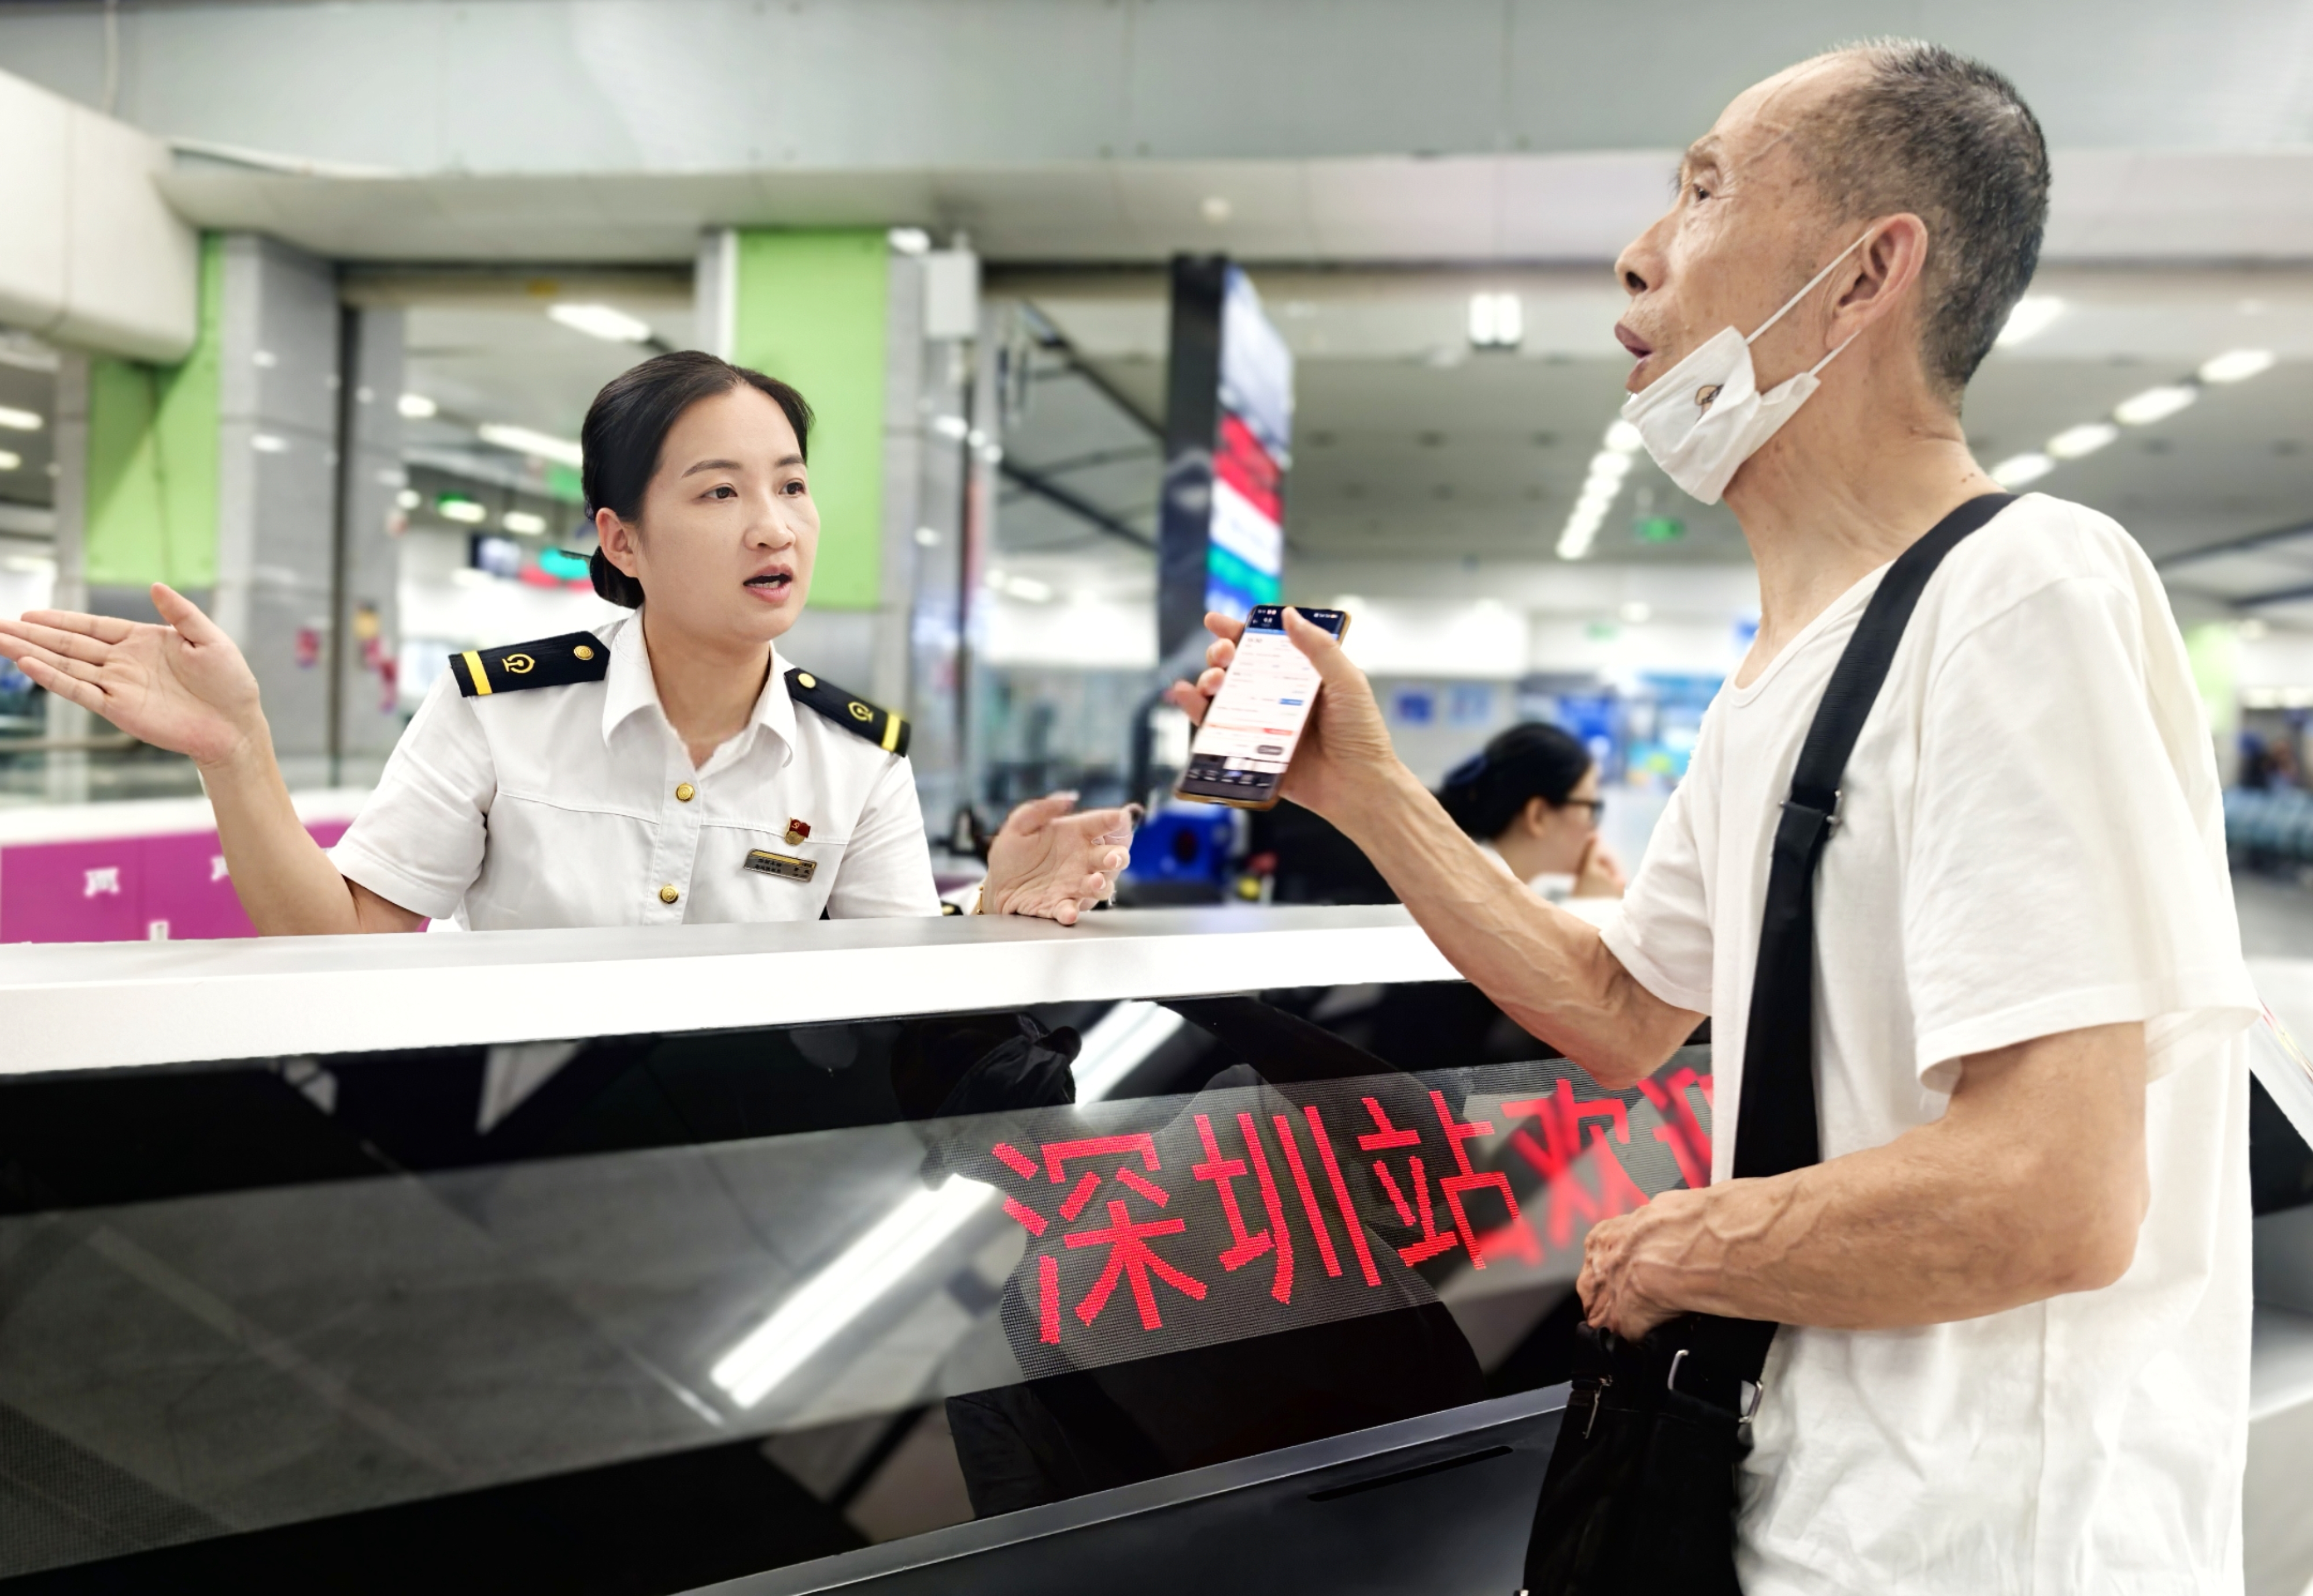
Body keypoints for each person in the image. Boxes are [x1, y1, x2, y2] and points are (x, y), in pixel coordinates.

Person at [1172, 41, 2254, 1593]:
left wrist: (1684, 1242)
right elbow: (1620, 1008)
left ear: (1868, 272)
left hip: (1985, 1548)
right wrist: (1364, 789)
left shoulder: (2022, 590)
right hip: (1798, 1508)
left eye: (1701, 187)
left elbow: (2054, 1193)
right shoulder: (1783, 673)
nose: (1640, 250)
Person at [0, 352, 1131, 933]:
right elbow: (347, 931)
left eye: (789, 485)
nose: (773, 523)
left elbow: (881, 1000)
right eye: (718, 491)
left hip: (763, 1161)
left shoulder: (857, 756)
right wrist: (236, 746)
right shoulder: (502, 709)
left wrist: (984, 910)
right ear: (622, 539)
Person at [1435, 723, 1624, 900]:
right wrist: (1596, 907)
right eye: (1591, 808)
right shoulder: (1475, 898)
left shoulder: (1476, 877)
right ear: (1538, 816)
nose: (1595, 833)